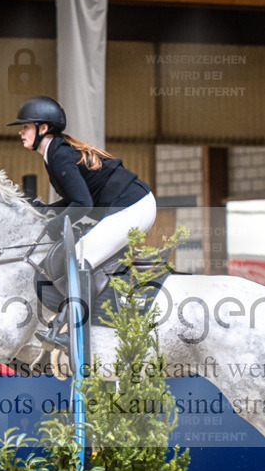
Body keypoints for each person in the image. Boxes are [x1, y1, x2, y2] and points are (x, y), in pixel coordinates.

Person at [8, 95, 156, 349]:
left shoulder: (59, 155)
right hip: (131, 205)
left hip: (133, 207)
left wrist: (56, 224)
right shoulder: (54, 152)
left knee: (78, 258)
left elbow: (83, 204)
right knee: (79, 256)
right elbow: (73, 201)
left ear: (43, 129)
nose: (21, 132)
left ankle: (75, 334)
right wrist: (46, 212)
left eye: (26, 127)